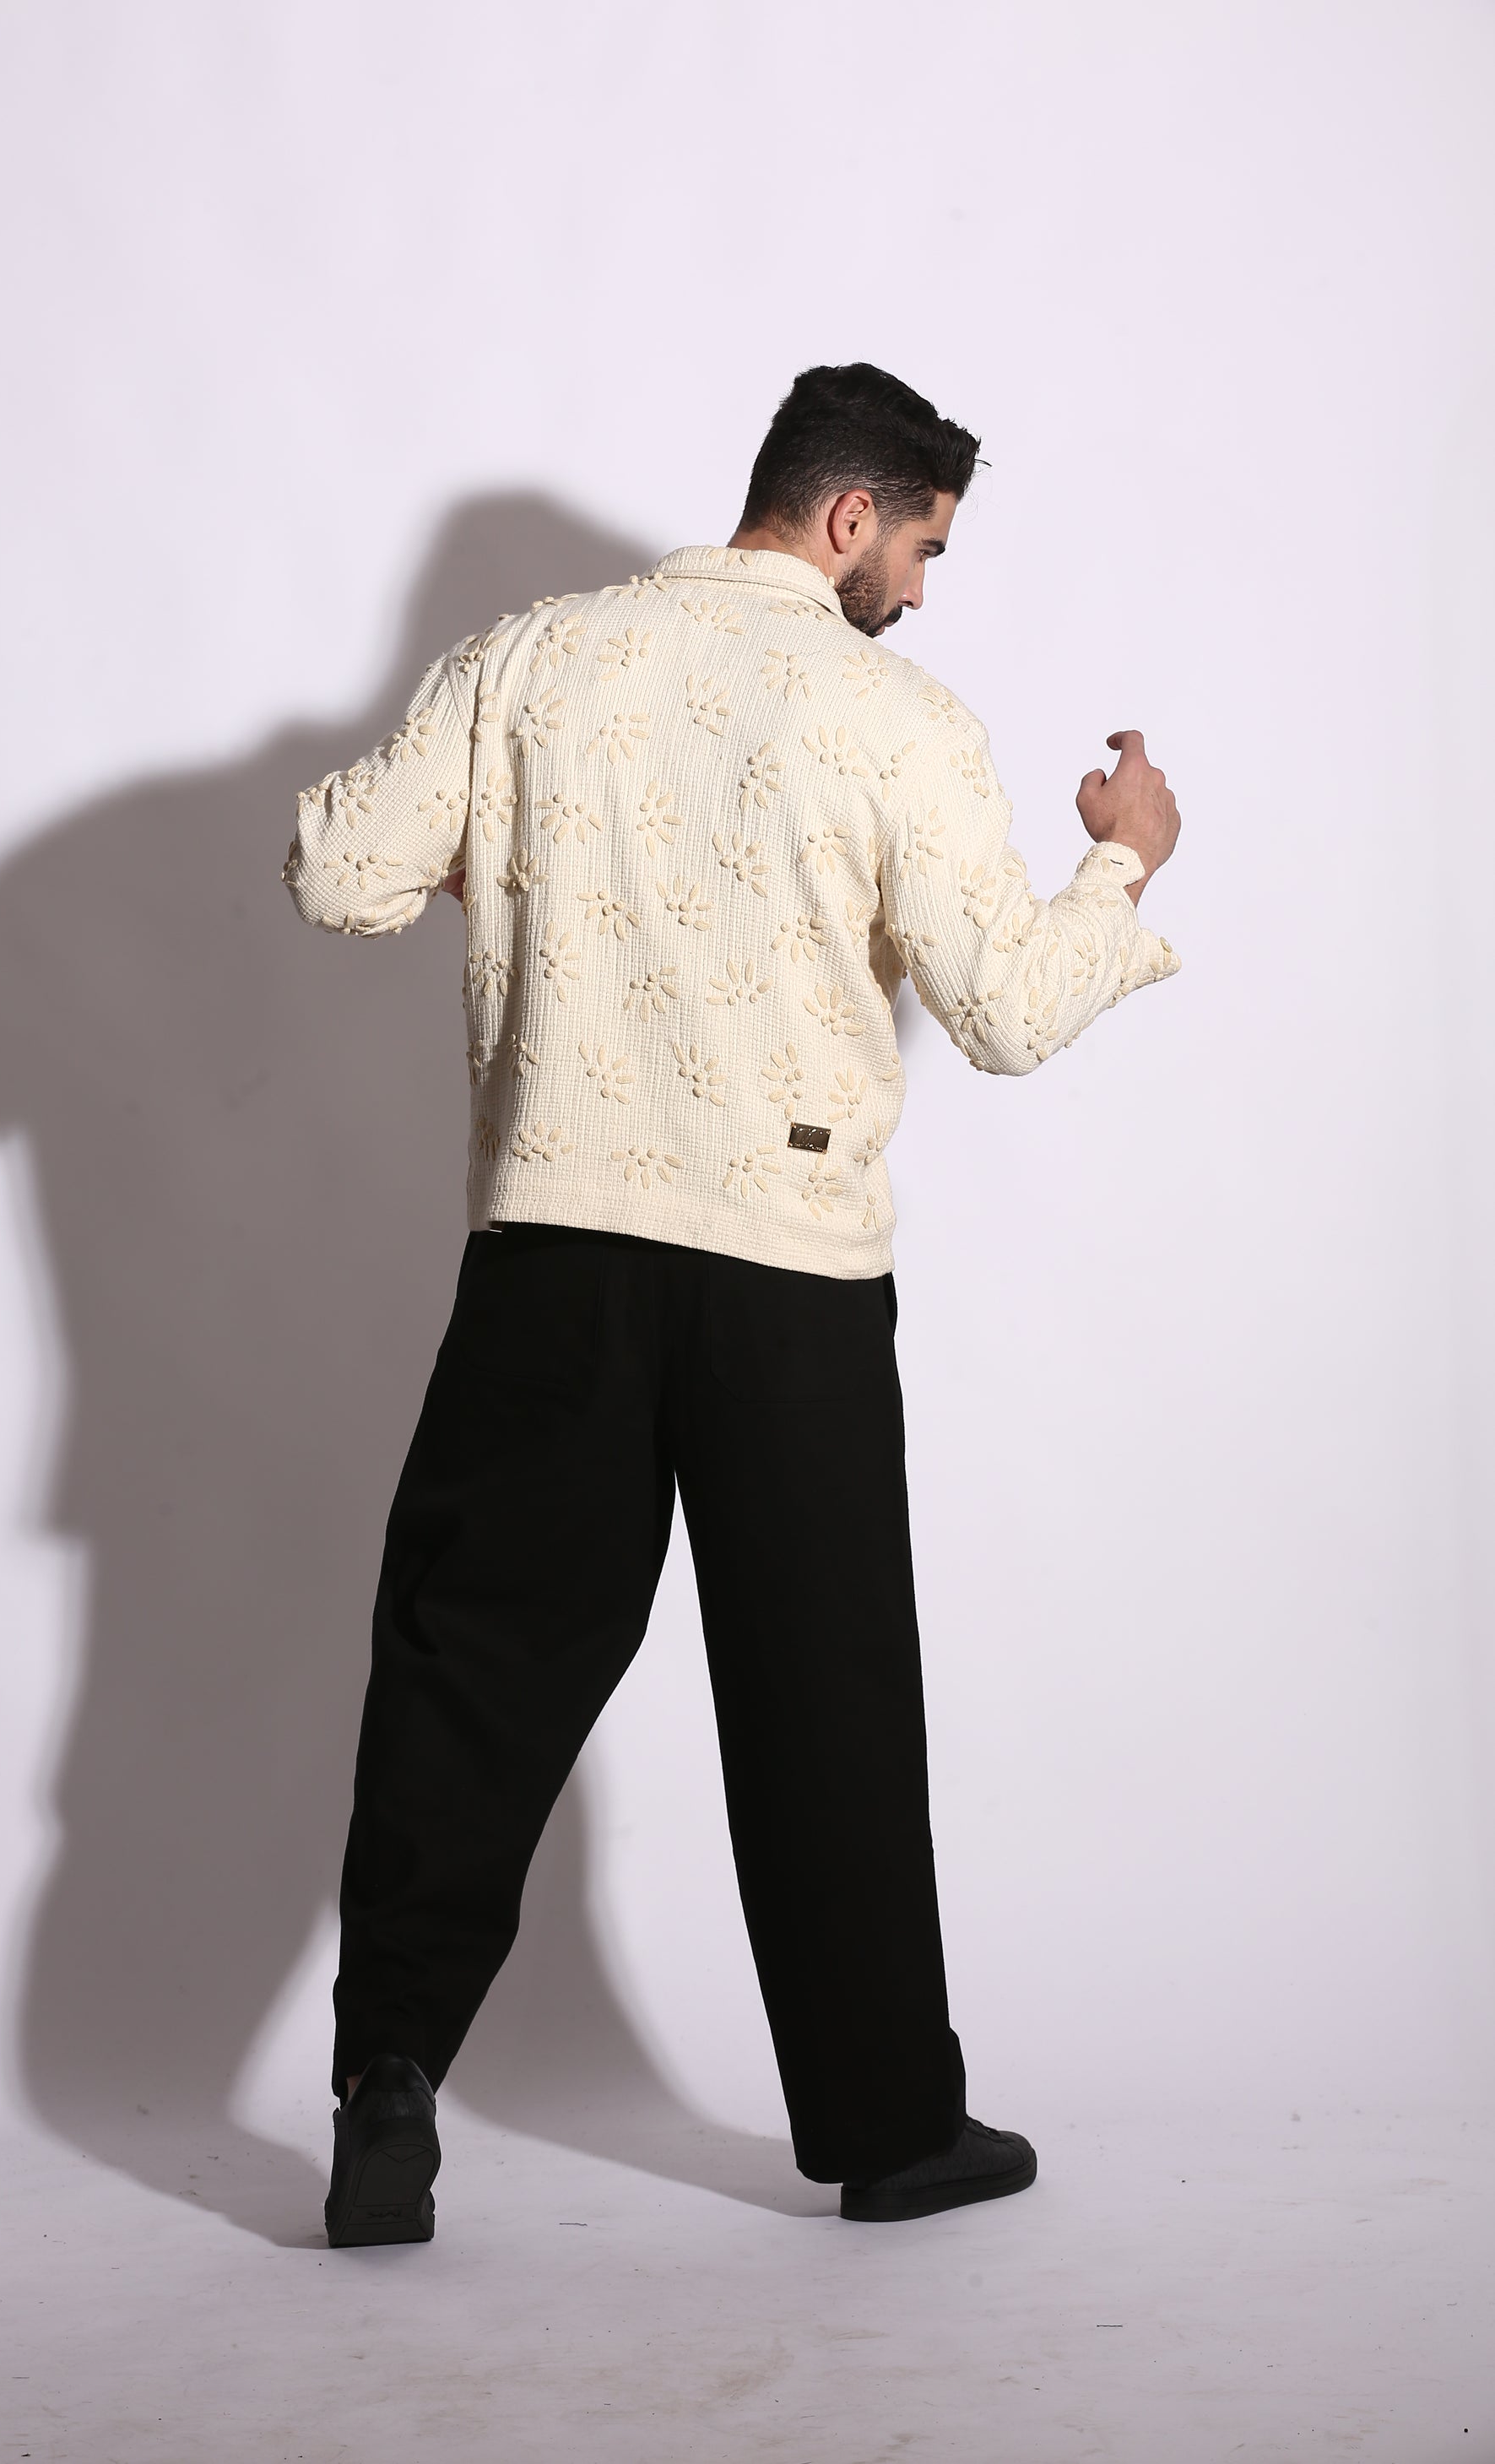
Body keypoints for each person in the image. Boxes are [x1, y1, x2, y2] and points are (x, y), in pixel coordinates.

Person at [283, 362, 1183, 2245]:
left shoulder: (531, 659)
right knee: (825, 1700)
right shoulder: (896, 717)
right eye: (923, 546)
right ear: (847, 517)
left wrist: (521, 843)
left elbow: (336, 868)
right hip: (787, 1287)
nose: (926, 590)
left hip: (554, 1258)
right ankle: (885, 2132)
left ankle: (386, 2088)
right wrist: (1120, 855)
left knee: (471, 1672)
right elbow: (1011, 1011)